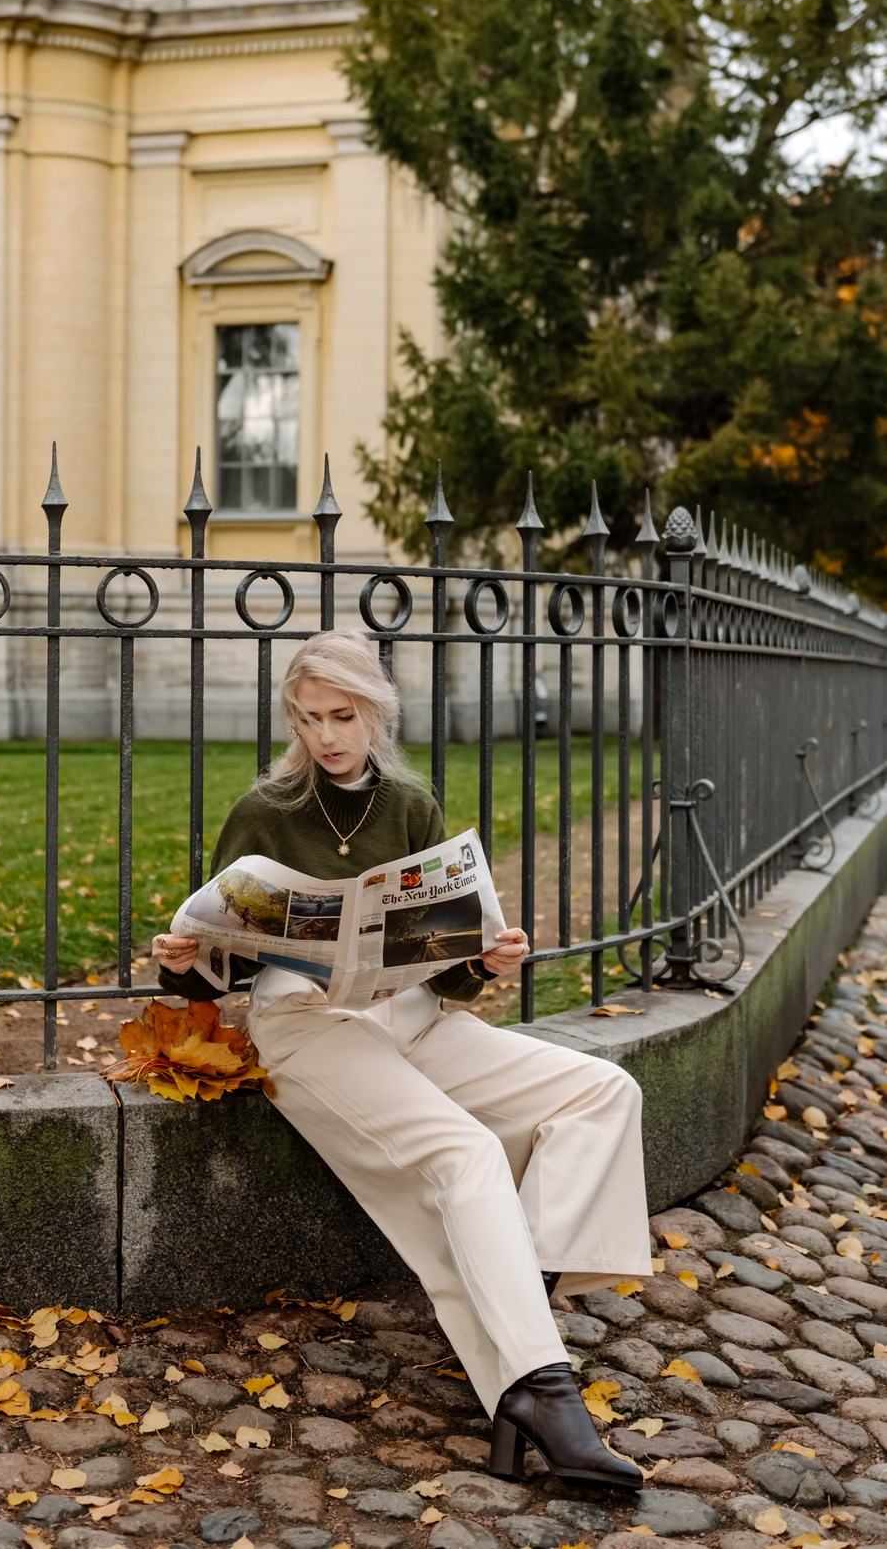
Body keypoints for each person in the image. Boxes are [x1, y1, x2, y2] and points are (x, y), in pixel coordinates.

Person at [153, 631, 651, 1489]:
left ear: (376, 711)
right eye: (308, 720)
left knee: (603, 1091)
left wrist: (490, 960)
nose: (326, 737)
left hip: (413, 1019)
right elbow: (224, 955)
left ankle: (512, 1294)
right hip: (310, 1028)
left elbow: (449, 965)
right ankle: (541, 1391)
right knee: (463, 1153)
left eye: (342, 717)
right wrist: (184, 957)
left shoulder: (412, 805)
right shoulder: (265, 811)